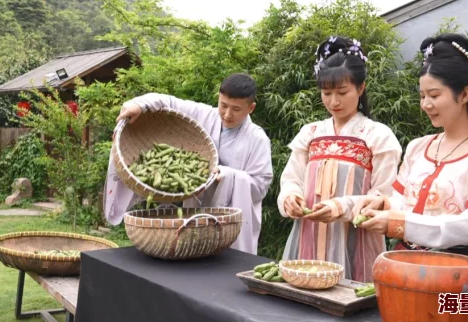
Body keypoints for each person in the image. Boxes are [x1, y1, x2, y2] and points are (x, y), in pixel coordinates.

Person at [353, 33, 468, 283]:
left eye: (434, 95)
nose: (425, 104)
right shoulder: (418, 148)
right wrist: (384, 205)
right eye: (422, 96)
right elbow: (401, 201)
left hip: (452, 276)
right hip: (400, 268)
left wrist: (398, 222)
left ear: (464, 95)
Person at [277, 36, 403, 282]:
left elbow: (385, 196)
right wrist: (291, 197)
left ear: (361, 88)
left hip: (356, 238)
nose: (333, 101)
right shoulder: (310, 133)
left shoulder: (378, 136)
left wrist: (341, 207)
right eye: (326, 93)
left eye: (342, 92)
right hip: (308, 236)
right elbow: (291, 178)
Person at [104, 73, 274, 255]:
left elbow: (261, 186)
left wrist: (228, 175)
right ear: (218, 98)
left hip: (233, 223)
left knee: (226, 261)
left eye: (236, 109)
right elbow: (168, 101)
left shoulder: (257, 139)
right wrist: (138, 105)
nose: (227, 114)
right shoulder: (205, 115)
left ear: (251, 108)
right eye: (223, 105)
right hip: (195, 212)